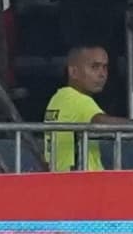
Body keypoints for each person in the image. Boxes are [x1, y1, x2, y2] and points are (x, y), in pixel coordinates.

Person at [40, 43, 113, 173]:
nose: (102, 74)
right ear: (73, 72)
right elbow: (101, 123)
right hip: (85, 185)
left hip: (61, 182)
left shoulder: (57, 99)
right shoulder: (78, 100)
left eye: (105, 67)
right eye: (94, 67)